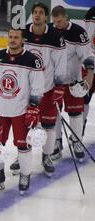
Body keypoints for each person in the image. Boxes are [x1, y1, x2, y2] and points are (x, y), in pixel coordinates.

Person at [9, 2, 67, 178]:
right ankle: (22, 157)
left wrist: (59, 86)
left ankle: (47, 156)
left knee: (48, 125)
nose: (37, 15)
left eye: (41, 12)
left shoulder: (55, 37)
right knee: (24, 125)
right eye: (35, 12)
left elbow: (61, 63)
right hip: (25, 91)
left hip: (48, 89)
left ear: (46, 17)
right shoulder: (23, 33)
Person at [0, 27, 45, 195]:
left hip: (21, 110)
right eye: (10, 37)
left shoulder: (31, 60)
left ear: (23, 40)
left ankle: (25, 174)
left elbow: (37, 85)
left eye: (16, 37)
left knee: (23, 144)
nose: (12, 40)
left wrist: (34, 107)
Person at [50, 6, 94, 162]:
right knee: (53, 113)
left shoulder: (78, 32)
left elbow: (86, 56)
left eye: (60, 21)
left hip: (73, 80)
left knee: (76, 113)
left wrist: (89, 74)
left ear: (66, 17)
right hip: (53, 82)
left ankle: (77, 142)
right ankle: (56, 143)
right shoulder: (50, 30)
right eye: (55, 22)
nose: (57, 25)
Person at [83, 6, 95, 138]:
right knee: (84, 100)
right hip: (91, 66)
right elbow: (86, 40)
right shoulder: (91, 12)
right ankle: (79, 133)